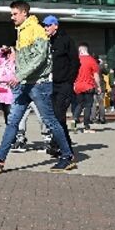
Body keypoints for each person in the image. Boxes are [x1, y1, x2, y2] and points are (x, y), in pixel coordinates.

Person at [0, 3, 76, 173]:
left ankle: (67, 156)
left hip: (38, 84)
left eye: (15, 14)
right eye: (12, 14)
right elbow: (26, 59)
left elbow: (40, 58)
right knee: (13, 122)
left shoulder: (36, 30)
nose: (12, 17)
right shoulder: (22, 30)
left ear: (24, 13)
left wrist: (19, 76)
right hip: (25, 85)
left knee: (50, 121)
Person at [47, 17, 77, 156]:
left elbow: (75, 62)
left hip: (64, 84)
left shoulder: (67, 41)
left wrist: (69, 81)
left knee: (58, 115)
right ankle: (65, 145)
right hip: (50, 84)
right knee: (55, 116)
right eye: (44, 26)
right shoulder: (46, 41)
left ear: (55, 26)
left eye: (48, 25)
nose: (45, 28)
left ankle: (57, 144)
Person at [73, 43, 101, 132]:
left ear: (80, 50)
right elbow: (96, 76)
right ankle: (86, 125)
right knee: (88, 106)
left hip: (78, 86)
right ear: (86, 50)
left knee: (79, 104)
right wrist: (99, 87)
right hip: (89, 86)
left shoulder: (76, 60)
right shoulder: (92, 61)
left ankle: (74, 119)